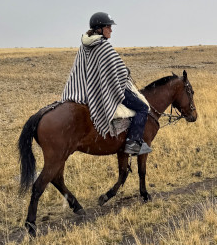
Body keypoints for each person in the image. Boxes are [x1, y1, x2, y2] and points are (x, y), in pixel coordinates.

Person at [62, 12, 152, 155]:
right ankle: (133, 143)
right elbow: (121, 72)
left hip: (88, 90)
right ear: (99, 28)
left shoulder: (84, 46)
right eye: (108, 27)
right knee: (142, 108)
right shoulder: (104, 47)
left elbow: (80, 70)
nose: (111, 30)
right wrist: (126, 72)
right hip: (109, 90)